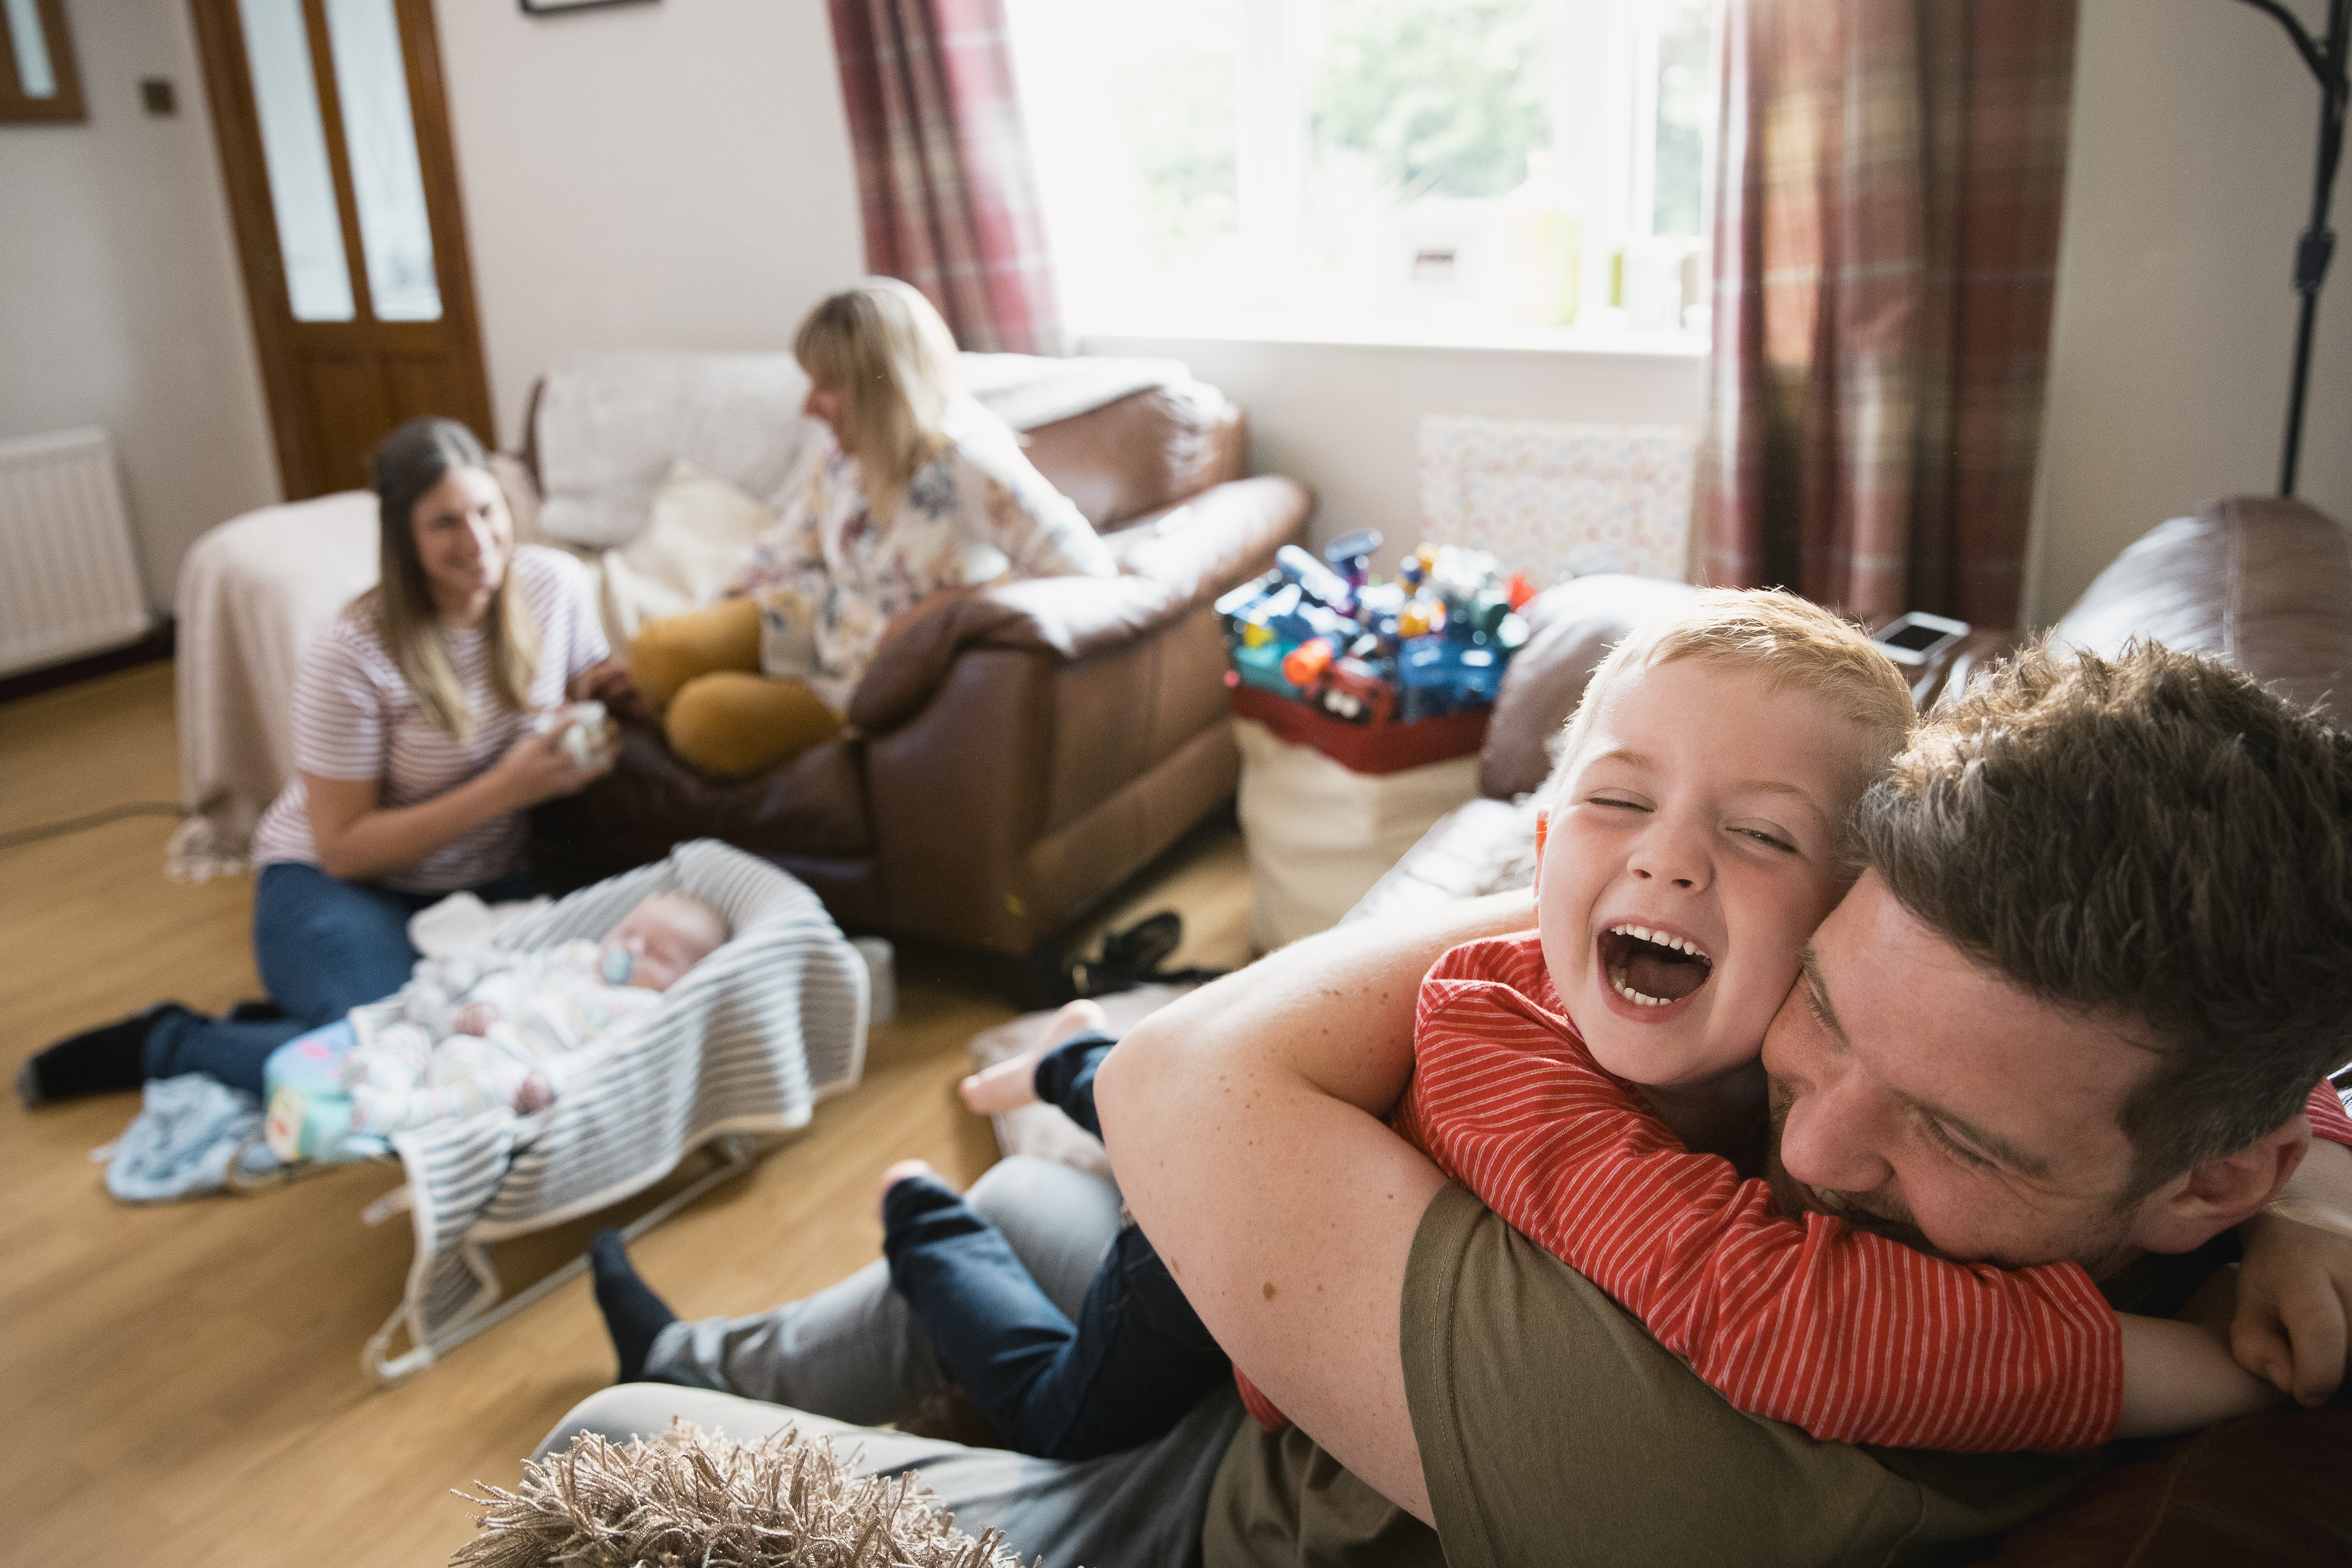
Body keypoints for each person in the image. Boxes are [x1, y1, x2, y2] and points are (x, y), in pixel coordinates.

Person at [536, 640, 2352, 1567]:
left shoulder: (1791, 1438)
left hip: (1227, 1507)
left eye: (1954, 1135)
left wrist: (1618, 853)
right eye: (1825, 1006)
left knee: (607, 1444)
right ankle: (738, 1348)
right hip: (1296, 1350)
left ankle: (705, 1372)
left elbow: (1189, 1077)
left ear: (2206, 1175)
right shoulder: (2187, 1137)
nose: (1809, 1145)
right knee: (1033, 1209)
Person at [19, 416, 626, 1108]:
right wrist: (504, 788)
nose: (478, 541)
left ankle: (282, 1027)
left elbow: (584, 687)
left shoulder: (557, 584)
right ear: (402, 536)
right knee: (386, 1057)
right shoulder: (351, 653)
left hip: (484, 881)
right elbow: (342, 848)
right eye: (445, 524)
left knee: (520, 1030)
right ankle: (170, 1040)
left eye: (488, 511)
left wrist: (612, 695)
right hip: (340, 881)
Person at [621, 278, 1119, 777]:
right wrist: (689, 643)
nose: (808, 406)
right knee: (653, 654)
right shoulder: (848, 454)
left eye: (827, 387)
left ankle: (725, 717)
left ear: (883, 384)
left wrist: (961, 605)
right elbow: (785, 551)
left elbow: (1092, 573)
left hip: (866, 684)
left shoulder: (968, 460)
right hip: (818, 625)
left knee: (699, 719)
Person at [342, 892, 727, 1133]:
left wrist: (551, 1080)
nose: (633, 948)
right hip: (476, 1043)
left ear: (685, 983)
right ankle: (385, 1075)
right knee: (412, 1033)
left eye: (659, 954)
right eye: (628, 930)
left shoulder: (643, 1009)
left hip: (514, 1076)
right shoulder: (578, 956)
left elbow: (604, 1057)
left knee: (492, 1094)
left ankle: (403, 1113)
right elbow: (520, 975)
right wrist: (490, 1003)